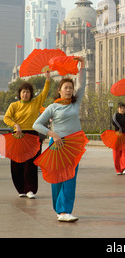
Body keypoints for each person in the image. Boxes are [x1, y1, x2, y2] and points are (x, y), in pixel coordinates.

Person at [33, 56, 85, 222]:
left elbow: (82, 85)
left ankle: (65, 211)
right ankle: (59, 209)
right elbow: (37, 124)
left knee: (70, 177)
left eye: (70, 87)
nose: (69, 90)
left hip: (73, 145)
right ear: (60, 91)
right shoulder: (52, 107)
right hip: (56, 144)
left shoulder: (75, 104)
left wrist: (82, 66)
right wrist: (53, 134)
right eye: (65, 88)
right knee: (57, 179)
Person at [3, 71, 51, 199]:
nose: (25, 94)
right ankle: (21, 189)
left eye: (28, 92)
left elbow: (45, 92)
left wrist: (47, 79)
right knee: (16, 164)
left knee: (31, 163)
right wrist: (15, 125)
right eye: (23, 92)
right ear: (19, 94)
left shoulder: (35, 103)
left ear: (31, 94)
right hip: (17, 136)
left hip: (32, 135)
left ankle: (30, 190)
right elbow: (6, 118)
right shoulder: (14, 105)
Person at [112, 92, 125, 175]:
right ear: (118, 109)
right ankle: (118, 169)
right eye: (121, 108)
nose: (122, 109)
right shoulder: (116, 115)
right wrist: (119, 129)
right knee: (117, 153)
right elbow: (114, 122)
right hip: (117, 135)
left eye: (124, 108)